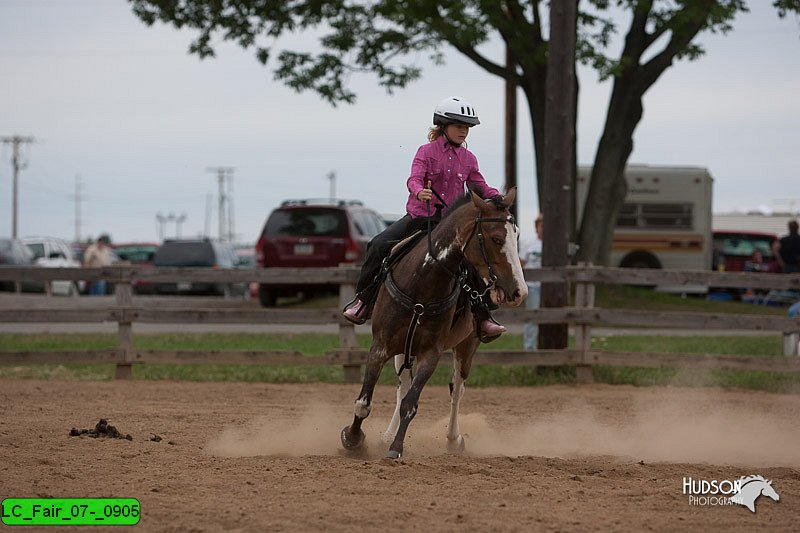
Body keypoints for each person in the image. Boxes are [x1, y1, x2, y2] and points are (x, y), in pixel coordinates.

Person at [342, 96, 507, 341]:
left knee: (472, 263)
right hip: (420, 218)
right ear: (443, 125)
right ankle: (364, 301)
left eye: (467, 127)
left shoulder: (469, 159)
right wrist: (419, 191)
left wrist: (499, 198)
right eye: (459, 125)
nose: (464, 131)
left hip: (451, 227)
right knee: (377, 245)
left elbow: (479, 185)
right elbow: (414, 178)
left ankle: (483, 318)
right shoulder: (426, 152)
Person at [520, 214, 543, 351]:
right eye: (541, 225)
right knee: (532, 318)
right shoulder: (529, 244)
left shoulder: (554, 244)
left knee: (549, 317)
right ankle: (530, 348)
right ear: (536, 227)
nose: (544, 229)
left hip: (550, 288)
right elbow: (521, 264)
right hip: (533, 286)